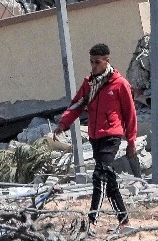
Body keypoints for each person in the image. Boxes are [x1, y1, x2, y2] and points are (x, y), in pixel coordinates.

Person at [54, 43, 137, 231]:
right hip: (95, 136)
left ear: (107, 61)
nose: (93, 66)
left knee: (99, 175)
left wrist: (131, 141)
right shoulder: (90, 83)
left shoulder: (120, 84)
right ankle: (124, 221)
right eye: (91, 62)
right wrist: (62, 124)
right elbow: (76, 105)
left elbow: (130, 114)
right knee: (108, 177)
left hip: (112, 136)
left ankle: (92, 220)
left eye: (97, 62)